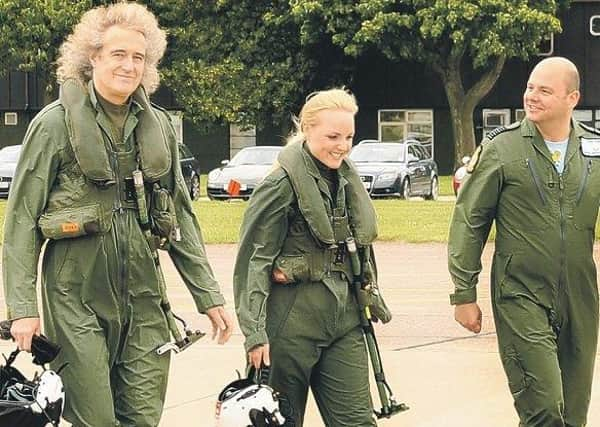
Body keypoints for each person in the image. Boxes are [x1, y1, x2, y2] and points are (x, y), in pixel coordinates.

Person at [2, 3, 233, 426]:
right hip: (76, 297)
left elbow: (180, 217)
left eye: (138, 57)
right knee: (97, 420)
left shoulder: (160, 126)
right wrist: (22, 308)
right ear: (93, 57)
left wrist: (208, 295)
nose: (129, 66)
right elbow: (21, 221)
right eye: (118, 54)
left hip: (145, 299)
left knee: (143, 418)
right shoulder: (54, 125)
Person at [448, 56, 600, 426]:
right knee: (544, 408)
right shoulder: (502, 148)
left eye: (544, 90)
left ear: (573, 98)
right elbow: (470, 222)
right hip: (521, 294)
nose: (532, 96)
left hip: (580, 297)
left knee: (573, 415)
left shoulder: (595, 152)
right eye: (530, 87)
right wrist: (463, 294)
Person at [234, 88, 390, 426]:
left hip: (345, 321)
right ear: (307, 131)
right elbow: (254, 261)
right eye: (333, 136)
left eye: (349, 136)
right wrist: (255, 332)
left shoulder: (346, 183)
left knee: (357, 422)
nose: (342, 145)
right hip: (290, 326)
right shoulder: (280, 185)